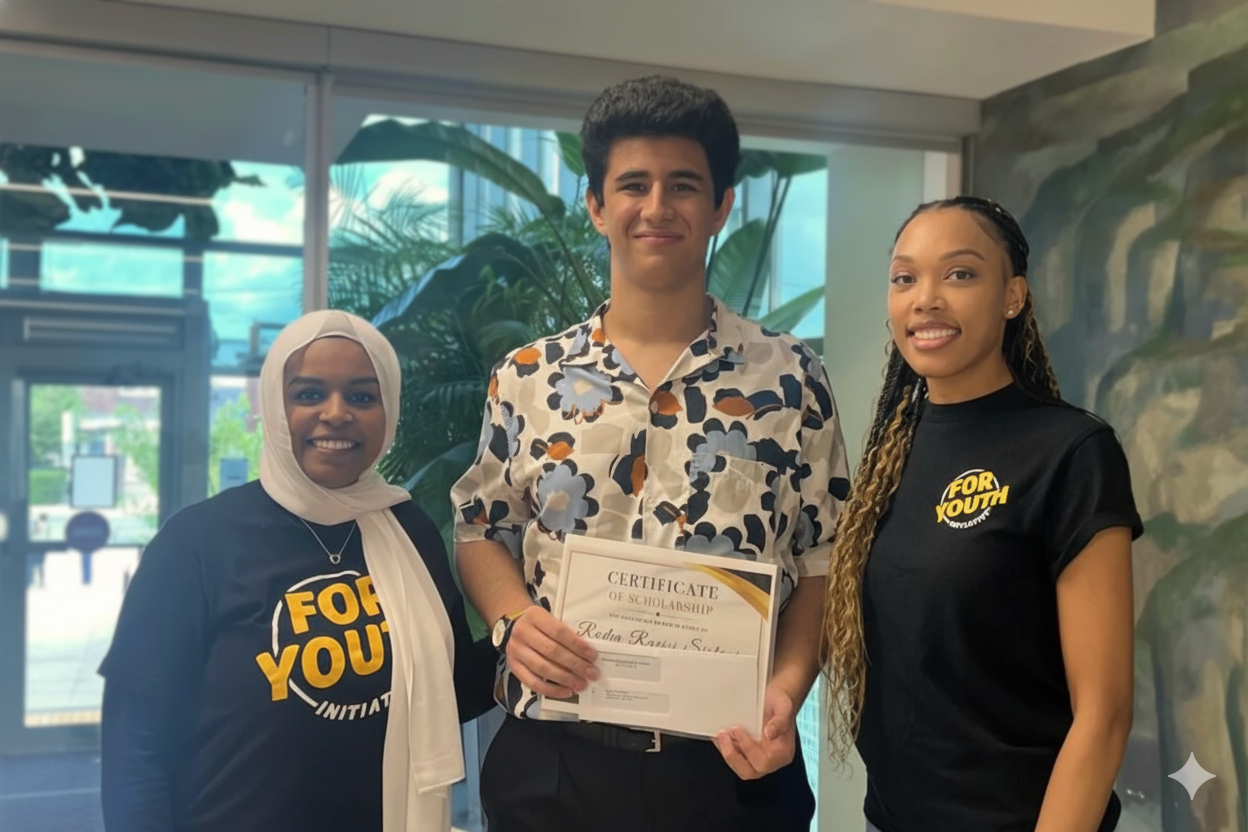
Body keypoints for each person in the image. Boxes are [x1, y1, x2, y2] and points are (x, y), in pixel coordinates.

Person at [451, 75, 850, 832]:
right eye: (634, 185)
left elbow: (823, 557)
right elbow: (480, 530)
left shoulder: (790, 377)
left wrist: (789, 688)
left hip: (731, 771)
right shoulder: (527, 377)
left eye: (683, 185)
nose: (658, 207)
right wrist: (512, 620)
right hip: (555, 767)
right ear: (597, 206)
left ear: (721, 206)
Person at [99, 310, 496, 832]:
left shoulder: (409, 530)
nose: (336, 414)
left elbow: (450, 689)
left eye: (362, 396)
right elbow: (135, 747)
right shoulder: (196, 542)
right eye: (309, 394)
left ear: (388, 410)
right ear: (274, 406)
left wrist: (538, 621)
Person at [820, 197, 1142, 832]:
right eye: (905, 277)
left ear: (1012, 296)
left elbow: (1104, 714)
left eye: (960, 274)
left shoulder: (1072, 452)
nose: (926, 299)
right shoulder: (892, 450)